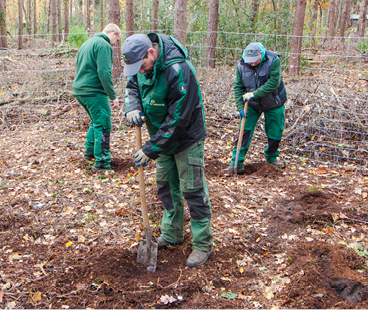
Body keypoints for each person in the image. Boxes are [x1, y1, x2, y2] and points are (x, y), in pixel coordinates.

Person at [122, 33, 213, 267]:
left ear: (151, 52)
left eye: (141, 65)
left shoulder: (178, 70)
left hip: (186, 138)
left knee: (192, 189)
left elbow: (178, 119)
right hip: (161, 140)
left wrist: (151, 148)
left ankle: (203, 244)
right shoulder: (140, 68)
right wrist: (132, 106)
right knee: (165, 186)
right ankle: (173, 234)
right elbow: (132, 85)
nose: (140, 71)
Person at [223, 42, 287, 174]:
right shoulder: (241, 64)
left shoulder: (273, 60)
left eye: (254, 61)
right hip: (251, 104)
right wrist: (240, 106)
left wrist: (254, 94)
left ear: (261, 54)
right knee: (244, 130)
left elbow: (274, 82)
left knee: (275, 131)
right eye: (249, 61)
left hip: (273, 101)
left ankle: (271, 157)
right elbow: (238, 86)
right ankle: (237, 162)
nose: (251, 64)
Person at [72, 24, 121, 171]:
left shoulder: (87, 44)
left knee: (96, 121)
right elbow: (104, 73)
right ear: (112, 34)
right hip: (94, 91)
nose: (114, 44)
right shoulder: (104, 45)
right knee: (104, 123)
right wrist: (113, 96)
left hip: (80, 90)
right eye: (116, 40)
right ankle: (102, 163)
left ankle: (89, 153)